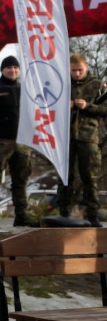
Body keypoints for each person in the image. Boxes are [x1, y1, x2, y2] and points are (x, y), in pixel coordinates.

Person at [0, 55, 37, 231]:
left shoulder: (26, 89)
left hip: (22, 141)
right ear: (2, 70)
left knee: (21, 179)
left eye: (15, 68)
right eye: (9, 68)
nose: (12, 70)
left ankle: (22, 216)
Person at [57, 53, 105, 226]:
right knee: (64, 175)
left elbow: (105, 109)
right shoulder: (62, 83)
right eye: (73, 70)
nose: (76, 74)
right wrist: (63, 105)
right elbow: (49, 106)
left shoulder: (98, 85)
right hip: (66, 135)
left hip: (88, 137)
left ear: (87, 68)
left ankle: (93, 214)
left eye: (80, 70)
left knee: (89, 176)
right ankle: (63, 210)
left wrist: (88, 106)